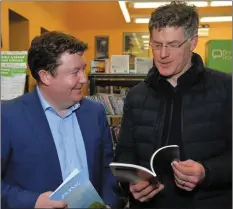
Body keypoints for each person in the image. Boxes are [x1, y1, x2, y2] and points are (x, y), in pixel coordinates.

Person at [114, 1, 232, 209]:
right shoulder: (136, 95)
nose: (162, 54)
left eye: (173, 45)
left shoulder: (225, 88)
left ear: (192, 42)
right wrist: (131, 184)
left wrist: (207, 172)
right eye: (157, 45)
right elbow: (125, 153)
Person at [1, 31, 119, 209]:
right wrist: (32, 202)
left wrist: (109, 203)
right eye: (75, 72)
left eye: (84, 69)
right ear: (46, 76)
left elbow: (107, 170)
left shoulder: (95, 112)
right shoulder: (8, 117)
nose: (84, 79)